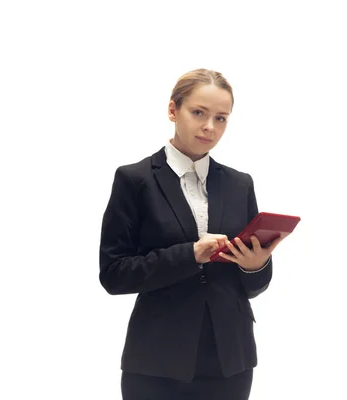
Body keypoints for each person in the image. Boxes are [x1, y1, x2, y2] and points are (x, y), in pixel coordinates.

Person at [99, 68, 284, 400]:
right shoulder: (134, 180)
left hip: (230, 359)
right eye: (199, 112)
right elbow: (114, 274)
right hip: (157, 360)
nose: (209, 127)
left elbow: (252, 287)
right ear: (173, 110)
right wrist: (190, 254)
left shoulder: (240, 184)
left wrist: (254, 266)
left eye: (221, 118)